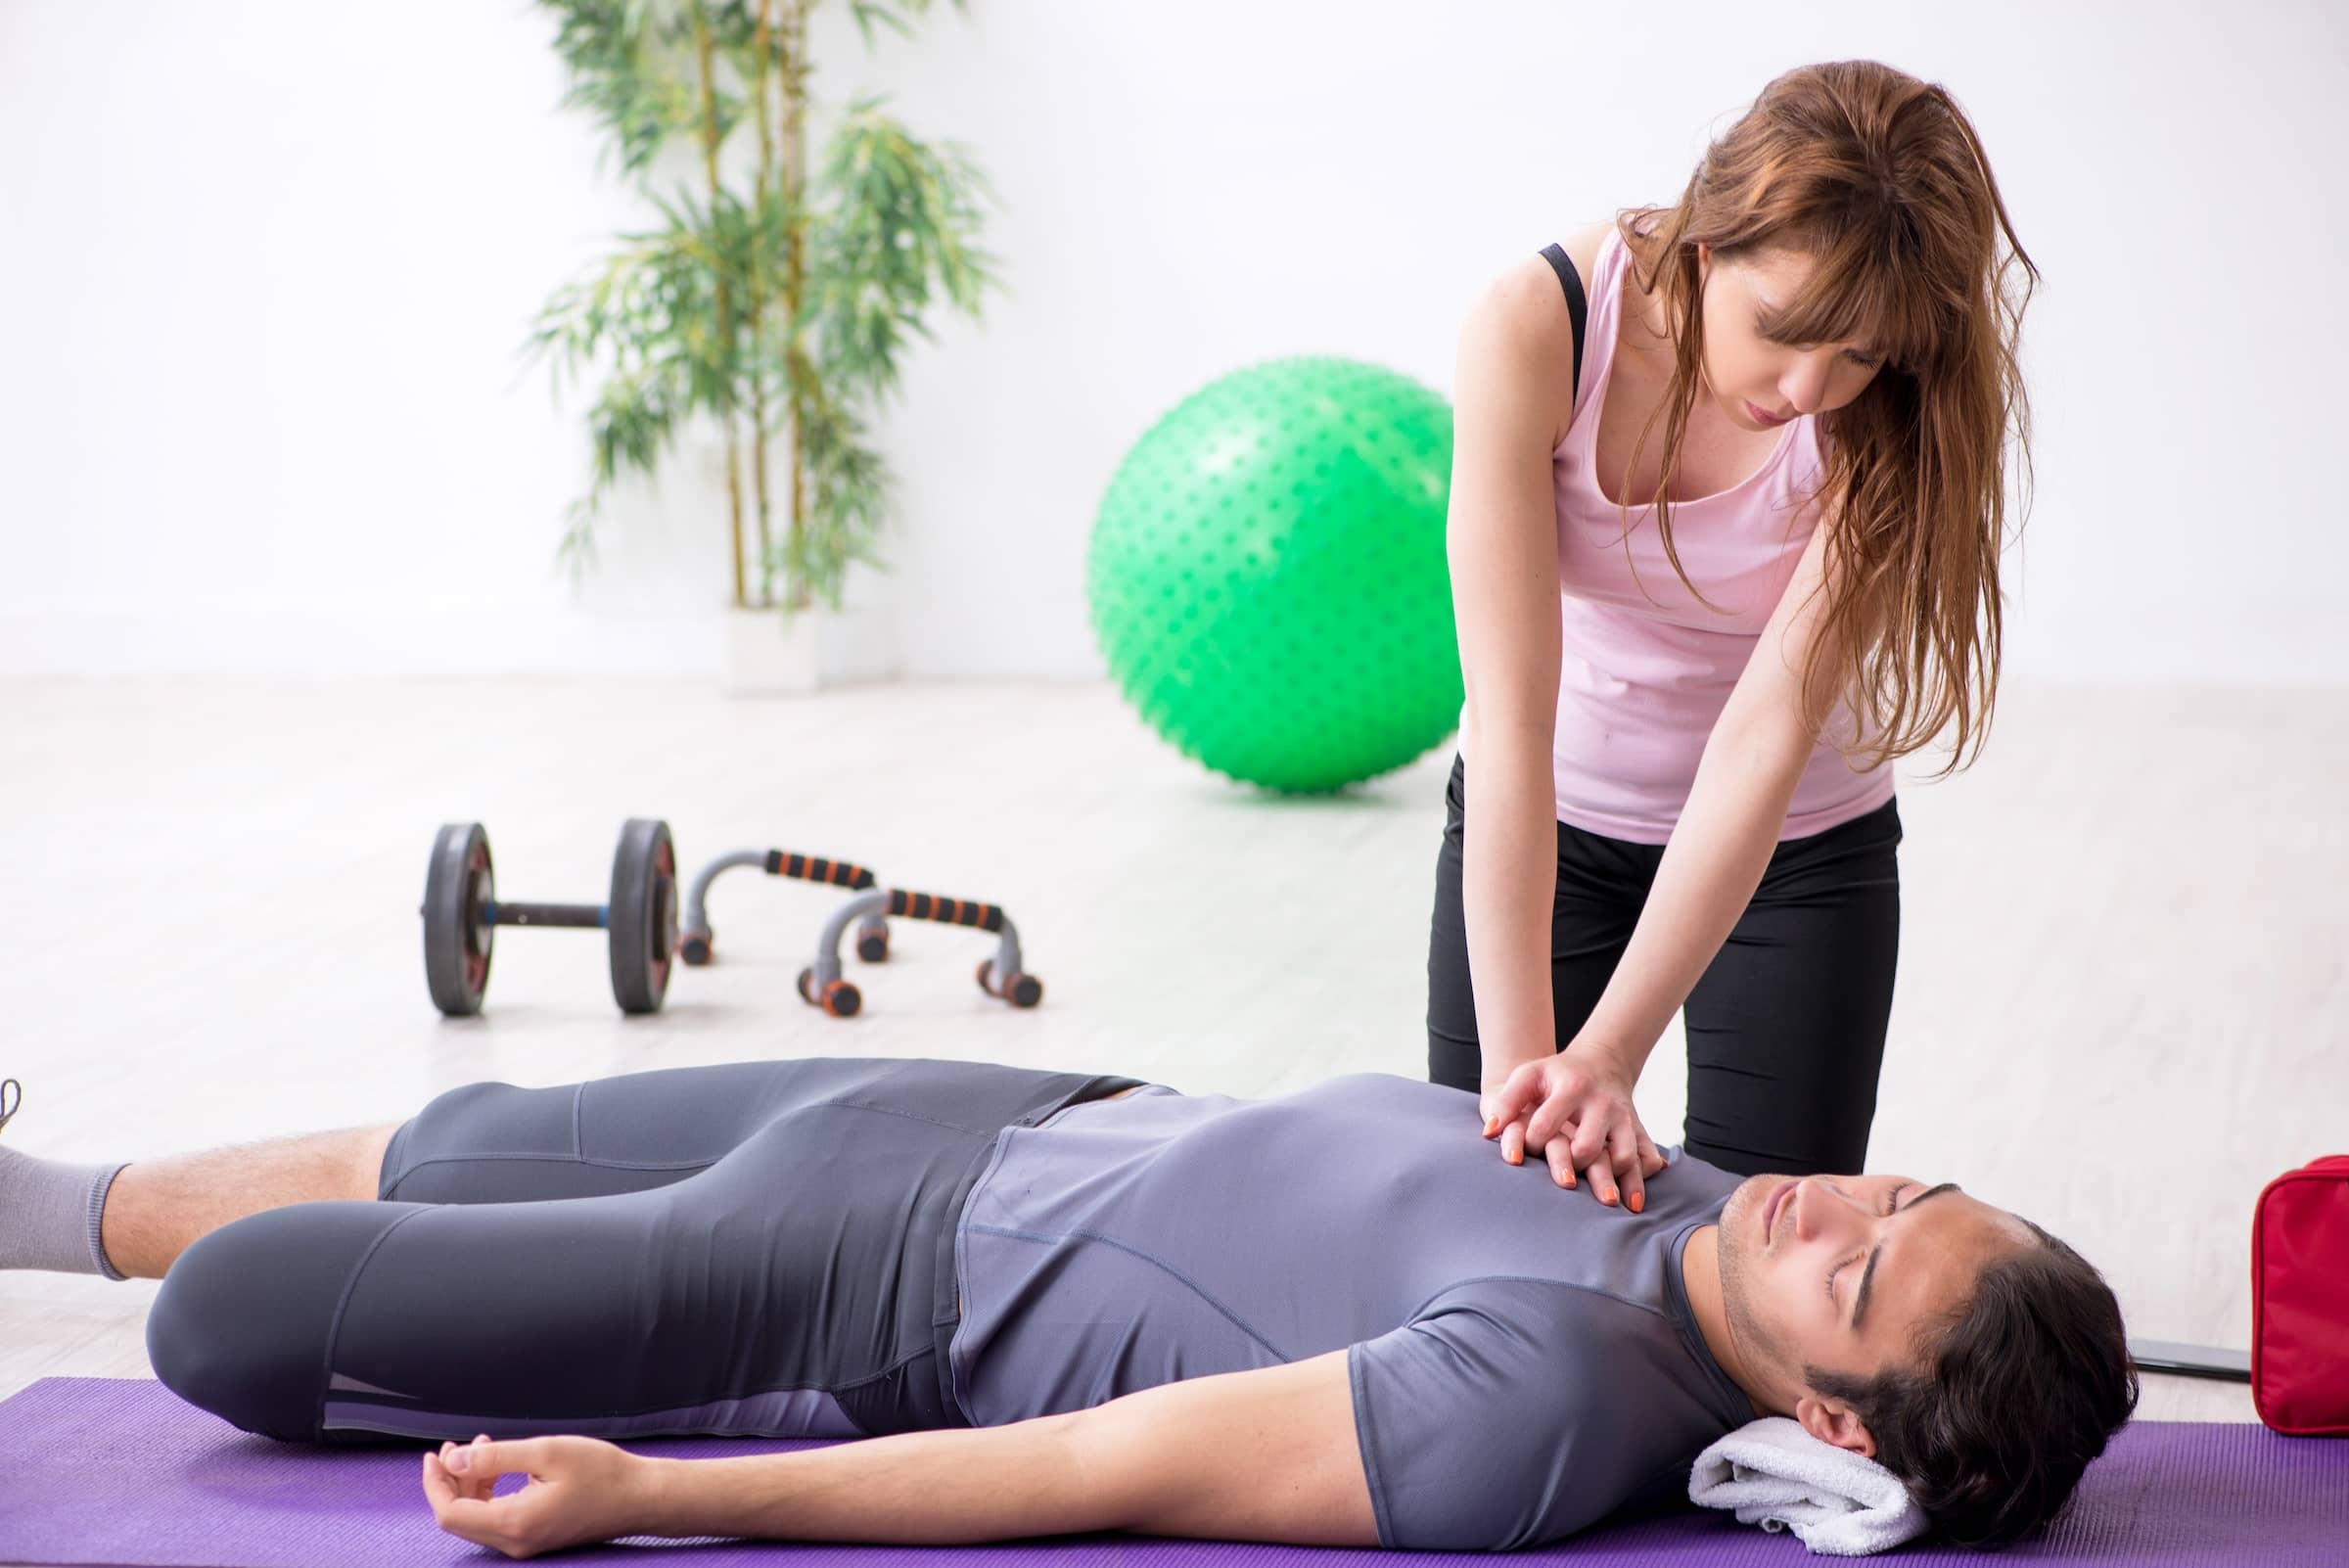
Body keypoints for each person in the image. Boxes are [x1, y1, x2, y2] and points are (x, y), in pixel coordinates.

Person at [0, 1057, 2135, 1556]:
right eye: (1906, 1187)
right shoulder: (1675, 1180)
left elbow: (1102, 1467)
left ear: (1844, 1422)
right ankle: (36, 1196)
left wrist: (663, 1496)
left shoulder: (1544, 1409)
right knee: (465, 1134)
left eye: (1861, 1263)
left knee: (244, 1324)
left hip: (854, 1285)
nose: (1829, 1203)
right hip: (995, 1103)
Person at [1431, 60, 2040, 1211]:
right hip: (1551, 810)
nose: (1813, 386)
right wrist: (1531, 1089)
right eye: (1787, 329)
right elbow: (1511, 722)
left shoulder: (1890, 422)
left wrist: (1609, 1056)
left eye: (1862, 354)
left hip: (1796, 854)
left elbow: (1768, 729)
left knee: (1757, 1282)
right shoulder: (1539, 325)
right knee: (1490, 1210)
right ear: (1707, 243)